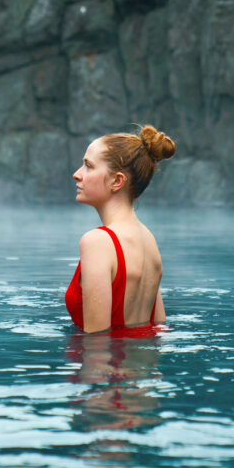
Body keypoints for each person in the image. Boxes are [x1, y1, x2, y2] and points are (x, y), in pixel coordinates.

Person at [64, 125, 176, 334]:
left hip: (108, 366)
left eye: (88, 166)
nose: (76, 175)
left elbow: (97, 342)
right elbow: (160, 327)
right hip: (144, 366)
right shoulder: (148, 240)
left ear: (117, 181)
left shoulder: (98, 242)